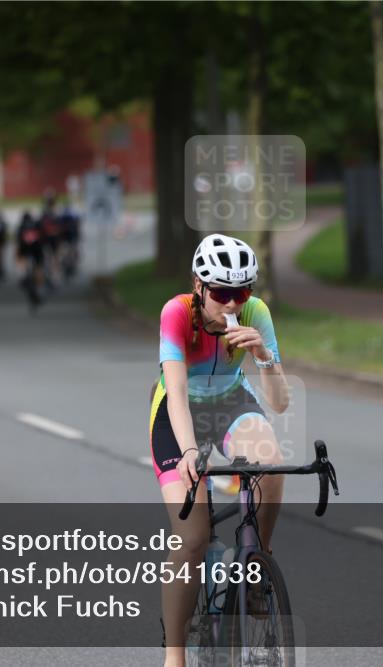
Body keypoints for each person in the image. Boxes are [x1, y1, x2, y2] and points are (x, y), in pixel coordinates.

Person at [149, 234, 289, 666]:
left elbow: (280, 401)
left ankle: (257, 567)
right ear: (198, 286)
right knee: (192, 538)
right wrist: (190, 451)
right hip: (179, 413)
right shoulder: (177, 313)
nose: (232, 304)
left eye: (241, 291)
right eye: (222, 293)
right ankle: (175, 656)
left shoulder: (255, 313)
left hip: (230, 402)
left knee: (273, 464)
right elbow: (174, 392)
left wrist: (263, 354)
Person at [15, 210, 44, 305]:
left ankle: (22, 275)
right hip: (37, 250)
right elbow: (43, 238)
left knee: (21, 259)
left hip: (25, 249)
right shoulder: (37, 226)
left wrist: (17, 256)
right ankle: (40, 289)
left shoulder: (20, 227)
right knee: (39, 268)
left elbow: (18, 243)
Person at [39, 192, 62, 287]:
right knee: (55, 256)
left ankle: (49, 273)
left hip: (46, 238)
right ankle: (55, 276)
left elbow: (40, 224)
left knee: (47, 255)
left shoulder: (44, 212)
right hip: (54, 237)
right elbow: (60, 225)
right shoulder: (56, 211)